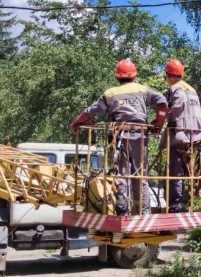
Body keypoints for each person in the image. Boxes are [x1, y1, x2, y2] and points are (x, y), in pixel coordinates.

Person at [70, 59, 168, 215]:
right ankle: (144, 212)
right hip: (140, 136)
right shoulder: (143, 90)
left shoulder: (110, 93)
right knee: (141, 176)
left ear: (117, 77)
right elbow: (162, 103)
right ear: (134, 76)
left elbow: (90, 111)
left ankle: (123, 211)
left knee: (122, 175)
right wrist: (159, 122)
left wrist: (76, 123)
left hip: (120, 137)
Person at [162, 59, 201, 213]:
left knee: (175, 171)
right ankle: (195, 201)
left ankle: (176, 205)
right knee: (192, 171)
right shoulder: (191, 89)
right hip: (195, 135)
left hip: (181, 135)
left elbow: (177, 107)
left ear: (168, 75)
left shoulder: (176, 89)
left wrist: (161, 117)